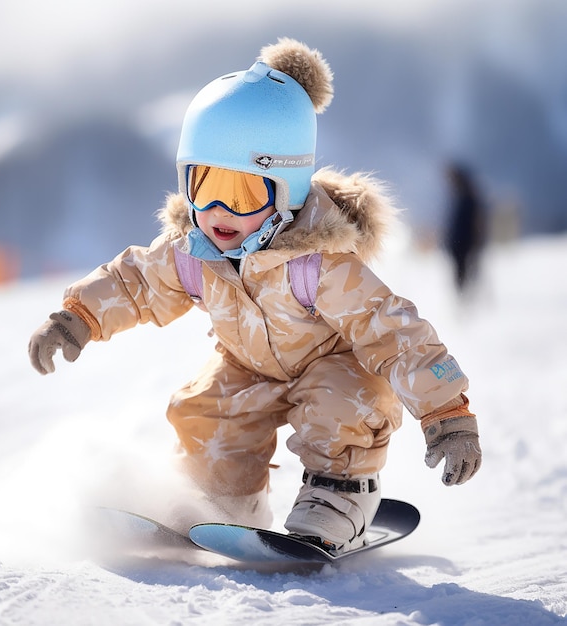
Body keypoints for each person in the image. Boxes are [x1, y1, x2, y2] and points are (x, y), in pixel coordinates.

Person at [29, 38, 482, 556]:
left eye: (242, 193)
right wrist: (78, 317)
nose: (218, 210)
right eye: (204, 187)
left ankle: (340, 497)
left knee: (343, 405)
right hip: (246, 365)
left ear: (285, 190)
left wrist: (448, 412)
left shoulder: (320, 264)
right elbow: (136, 282)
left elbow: (395, 332)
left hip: (331, 364)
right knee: (205, 410)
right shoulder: (192, 251)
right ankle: (222, 496)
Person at [444, 162, 487, 294]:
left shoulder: (468, 199)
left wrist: (477, 241)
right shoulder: (461, 197)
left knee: (465, 272)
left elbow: (476, 223)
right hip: (461, 243)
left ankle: (466, 297)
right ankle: (464, 295)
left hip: (465, 243)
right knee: (463, 272)